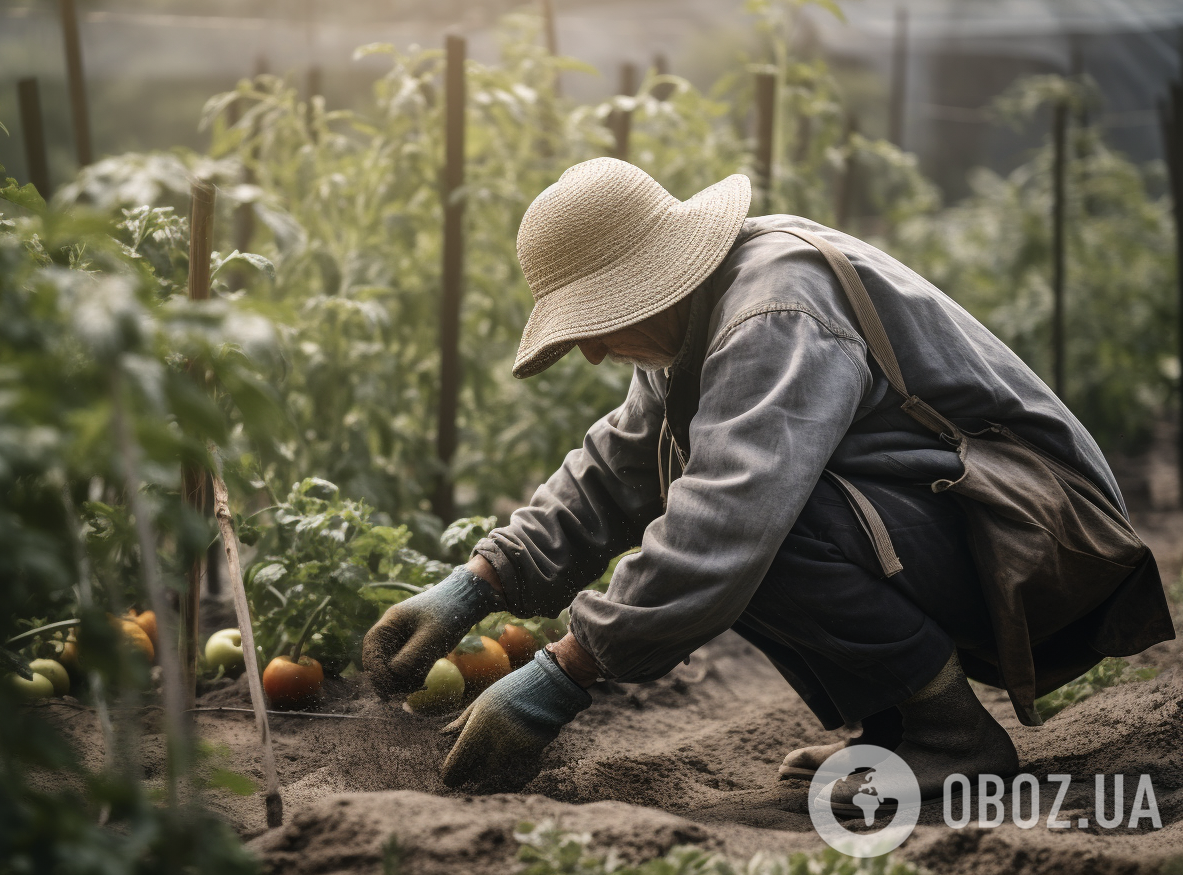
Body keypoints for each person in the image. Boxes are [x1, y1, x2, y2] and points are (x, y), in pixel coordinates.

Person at [362, 157, 1175, 801]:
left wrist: (567, 670)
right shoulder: (700, 315)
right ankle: (898, 727)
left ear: (650, 281)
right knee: (729, 512)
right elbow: (619, 465)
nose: (596, 353)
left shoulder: (773, 313)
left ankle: (950, 740)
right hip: (969, 524)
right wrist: (478, 582)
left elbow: (729, 519)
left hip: (1040, 546)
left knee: (751, 531)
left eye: (597, 324)